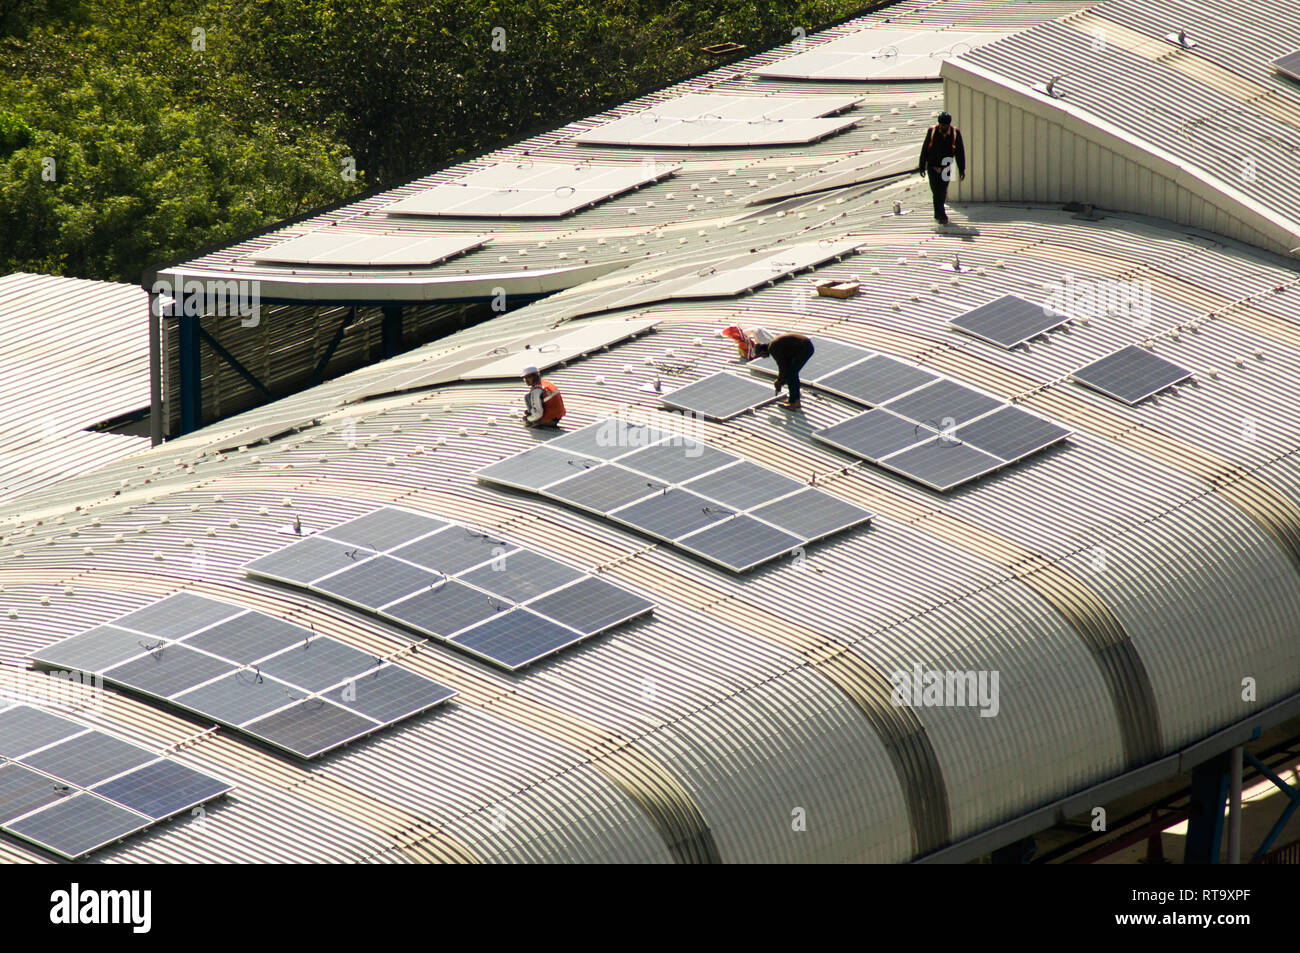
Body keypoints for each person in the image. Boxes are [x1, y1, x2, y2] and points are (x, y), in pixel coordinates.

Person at [917, 111, 966, 225]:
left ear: (949, 125)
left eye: (944, 126)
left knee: (942, 191)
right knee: (935, 191)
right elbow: (925, 149)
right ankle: (939, 213)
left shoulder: (955, 133)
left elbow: (960, 152)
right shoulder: (932, 131)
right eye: (941, 125)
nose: (942, 127)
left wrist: (962, 169)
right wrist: (921, 166)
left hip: (947, 166)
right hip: (933, 166)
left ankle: (941, 214)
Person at [753, 333, 814, 410]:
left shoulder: (773, 349)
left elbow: (782, 366)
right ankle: (795, 401)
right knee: (791, 374)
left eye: (761, 355)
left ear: (763, 352)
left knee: (791, 375)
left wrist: (779, 381)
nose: (762, 357)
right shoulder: (774, 345)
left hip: (804, 348)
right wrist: (781, 381)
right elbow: (786, 363)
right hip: (803, 347)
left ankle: (793, 403)